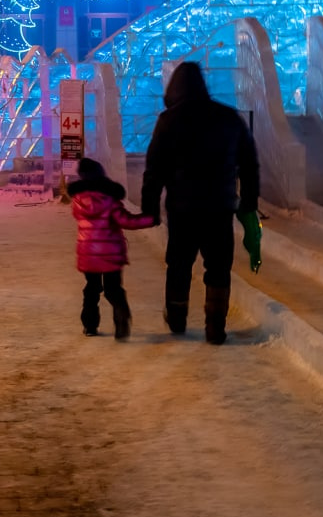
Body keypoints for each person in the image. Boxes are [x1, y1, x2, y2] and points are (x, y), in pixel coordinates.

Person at [141, 61, 262, 345]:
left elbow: (154, 168)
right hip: (219, 208)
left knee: (179, 265)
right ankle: (215, 328)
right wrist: (248, 203)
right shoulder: (229, 118)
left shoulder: (168, 120)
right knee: (218, 268)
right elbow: (249, 164)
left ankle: (177, 319)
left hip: (182, 209)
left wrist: (149, 208)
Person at [67, 157, 155, 340]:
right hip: (111, 255)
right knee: (113, 289)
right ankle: (121, 315)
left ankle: (90, 325)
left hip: (88, 254)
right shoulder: (110, 200)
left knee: (91, 289)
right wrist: (151, 219)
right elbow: (127, 221)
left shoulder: (78, 201)